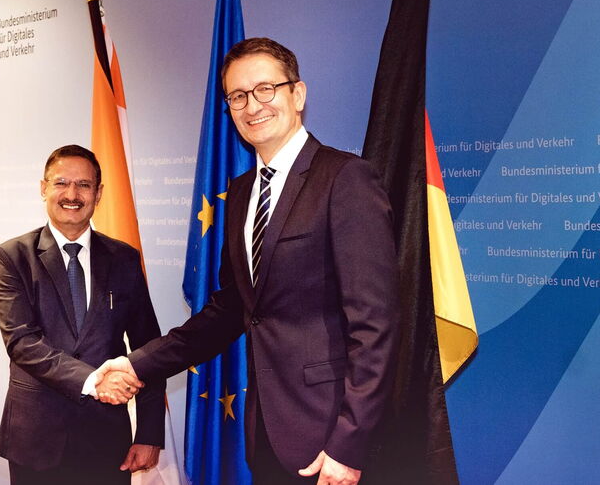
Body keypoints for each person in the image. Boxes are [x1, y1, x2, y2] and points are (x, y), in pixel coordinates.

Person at [98, 38, 400, 485]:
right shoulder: (240, 194)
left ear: (298, 94)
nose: (252, 105)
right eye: (237, 96)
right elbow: (230, 310)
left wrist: (348, 445)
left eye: (265, 89)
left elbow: (376, 326)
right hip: (268, 436)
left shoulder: (345, 179)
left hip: (335, 443)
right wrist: (137, 364)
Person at [0, 145, 165, 485]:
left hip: (106, 439)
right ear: (43, 188)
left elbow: (148, 348)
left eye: (84, 185)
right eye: (61, 183)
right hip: (36, 439)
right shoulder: (13, 256)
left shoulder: (124, 259)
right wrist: (94, 380)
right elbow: (22, 342)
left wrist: (149, 432)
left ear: (98, 194)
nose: (72, 194)